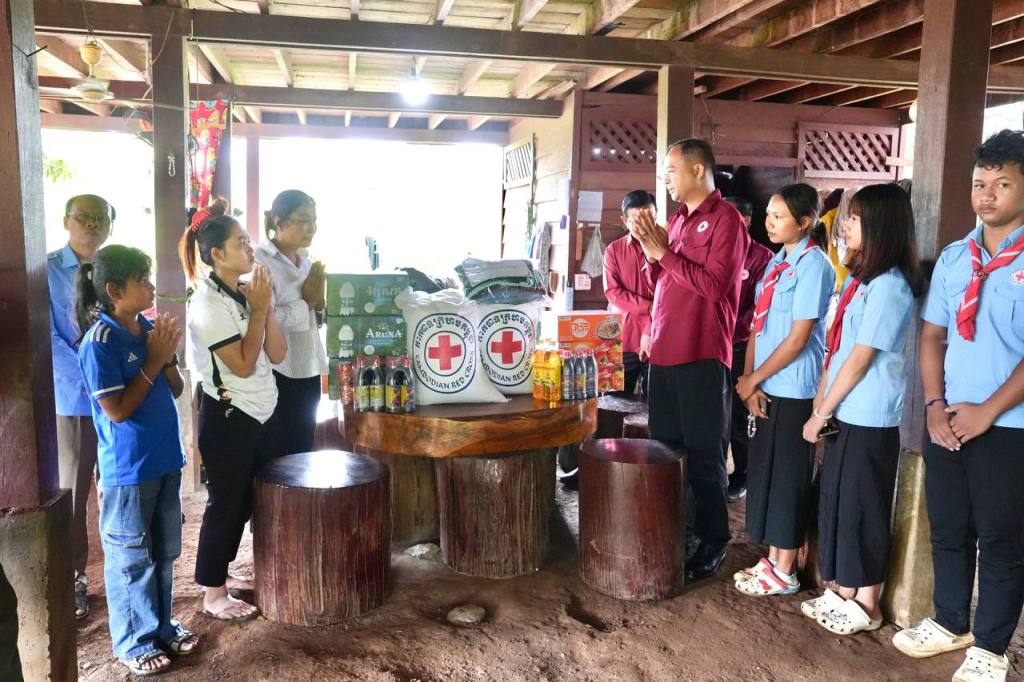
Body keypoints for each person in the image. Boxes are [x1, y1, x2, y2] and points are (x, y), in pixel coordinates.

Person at [893, 130, 1024, 682]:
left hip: (1009, 425)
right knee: (948, 527)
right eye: (979, 183)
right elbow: (932, 336)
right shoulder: (954, 258)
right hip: (947, 419)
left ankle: (991, 647)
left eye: (1002, 184)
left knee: (1002, 539)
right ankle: (951, 621)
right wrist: (933, 404)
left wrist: (987, 411)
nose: (986, 195)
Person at [799, 183, 922, 636]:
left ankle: (868, 602)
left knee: (864, 506)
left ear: (880, 227)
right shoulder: (859, 281)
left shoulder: (890, 287)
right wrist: (823, 400)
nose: (845, 225)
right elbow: (838, 349)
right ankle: (843, 589)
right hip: (845, 411)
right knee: (839, 501)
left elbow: (860, 359)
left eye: (855, 218)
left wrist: (819, 412)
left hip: (870, 415)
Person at [630, 138, 750, 582]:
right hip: (664, 351)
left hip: (702, 353)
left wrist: (663, 253)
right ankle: (677, 528)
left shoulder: (726, 220)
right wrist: (652, 254)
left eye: (671, 170)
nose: (665, 179)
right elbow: (662, 282)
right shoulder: (678, 220)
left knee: (704, 454)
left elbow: (715, 287)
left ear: (698, 170)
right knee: (665, 450)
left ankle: (714, 538)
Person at [76, 245, 198, 675]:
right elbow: (117, 411)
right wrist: (155, 357)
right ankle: (133, 641)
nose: (151, 287)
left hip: (165, 458)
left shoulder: (147, 326)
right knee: (131, 558)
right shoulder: (100, 342)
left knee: (164, 551)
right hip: (128, 470)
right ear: (113, 290)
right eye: (141, 280)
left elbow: (177, 389)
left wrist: (166, 355)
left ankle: (161, 626)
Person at [180, 215, 286, 622]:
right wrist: (257, 312)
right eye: (240, 242)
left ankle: (222, 574)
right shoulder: (207, 303)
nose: (249, 248)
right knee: (226, 503)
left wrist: (265, 307)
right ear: (217, 254)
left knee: (245, 502)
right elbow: (241, 366)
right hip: (229, 415)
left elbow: (277, 353)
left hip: (261, 411)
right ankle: (213, 593)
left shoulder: (244, 293)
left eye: (247, 240)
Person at [731, 184, 835, 596]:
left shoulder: (815, 265)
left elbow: (798, 339)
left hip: (794, 388)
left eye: (778, 216)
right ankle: (773, 560)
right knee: (768, 471)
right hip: (765, 382)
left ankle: (786, 568)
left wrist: (753, 379)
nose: (769, 222)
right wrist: (749, 380)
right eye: (768, 215)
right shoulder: (778, 262)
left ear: (805, 222)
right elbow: (758, 326)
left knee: (789, 476)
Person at [47, 194, 114, 620]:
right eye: (82, 217)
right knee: (72, 493)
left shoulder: (114, 267)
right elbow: (47, 337)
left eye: (99, 218)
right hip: (75, 399)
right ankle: (72, 579)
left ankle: (124, 573)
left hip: (119, 398)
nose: (91, 224)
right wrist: (94, 375)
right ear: (65, 221)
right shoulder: (46, 269)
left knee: (121, 487)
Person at [255, 190, 328, 456]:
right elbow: (263, 318)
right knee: (280, 453)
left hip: (308, 367)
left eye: (314, 221)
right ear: (278, 221)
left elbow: (314, 317)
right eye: (304, 220)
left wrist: (319, 305)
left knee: (303, 449)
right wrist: (306, 302)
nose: (312, 228)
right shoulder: (260, 262)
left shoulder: (306, 261)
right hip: (279, 371)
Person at [724, 195, 774, 502]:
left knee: (739, 416)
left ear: (745, 222)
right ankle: (716, 471)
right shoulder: (714, 252)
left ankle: (742, 474)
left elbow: (758, 310)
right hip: (711, 347)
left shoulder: (763, 258)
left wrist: (727, 328)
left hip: (742, 346)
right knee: (714, 413)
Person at [603, 190, 656, 397]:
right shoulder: (613, 251)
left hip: (658, 339)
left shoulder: (668, 248)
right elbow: (613, 292)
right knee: (613, 402)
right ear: (624, 221)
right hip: (623, 339)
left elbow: (668, 295)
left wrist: (650, 328)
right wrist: (649, 307)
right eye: (636, 221)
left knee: (656, 404)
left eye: (649, 219)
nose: (644, 226)